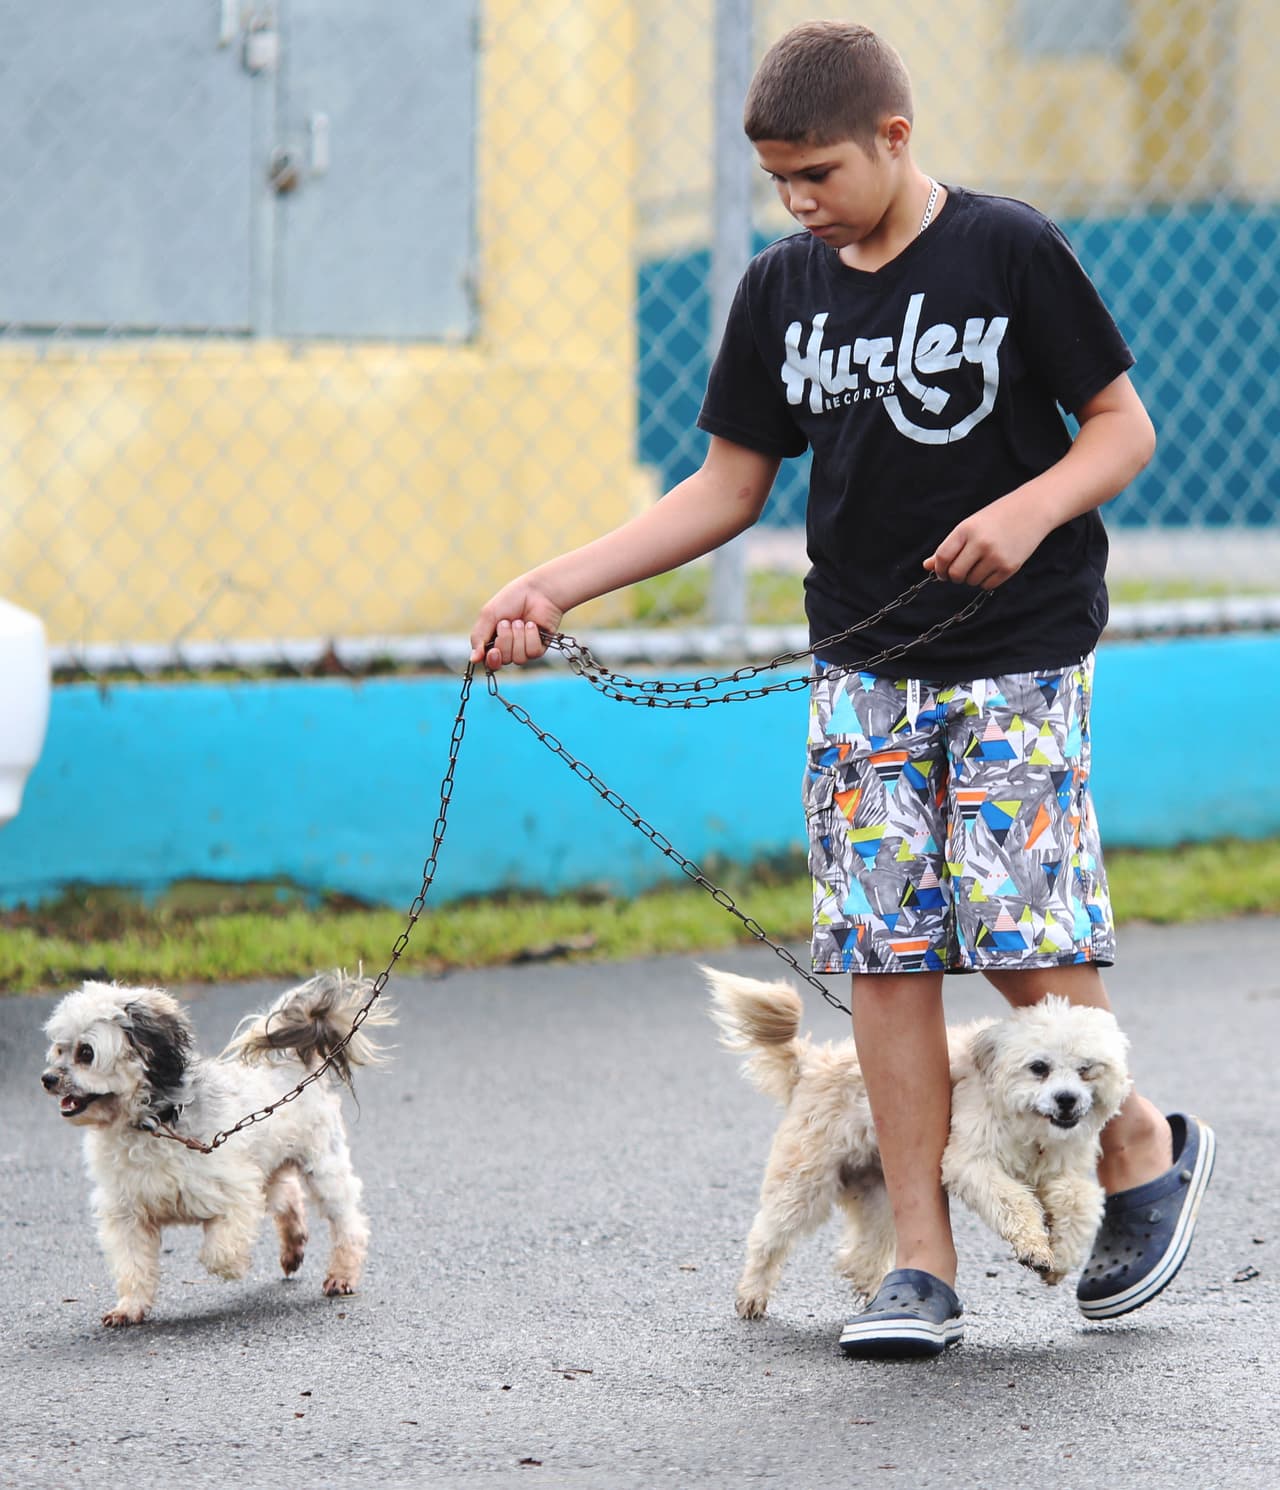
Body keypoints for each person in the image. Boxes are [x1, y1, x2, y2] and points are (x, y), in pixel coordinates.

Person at [469, 20, 1214, 1358]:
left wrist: (1030, 509)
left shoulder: (1008, 250)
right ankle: (921, 1264)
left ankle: (1141, 1138)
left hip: (1019, 650)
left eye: (820, 173)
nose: (801, 202)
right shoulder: (778, 293)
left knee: (1016, 929)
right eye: (780, 183)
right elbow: (726, 488)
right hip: (864, 668)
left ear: (896, 138)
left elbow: (1124, 427)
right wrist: (553, 584)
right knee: (881, 943)